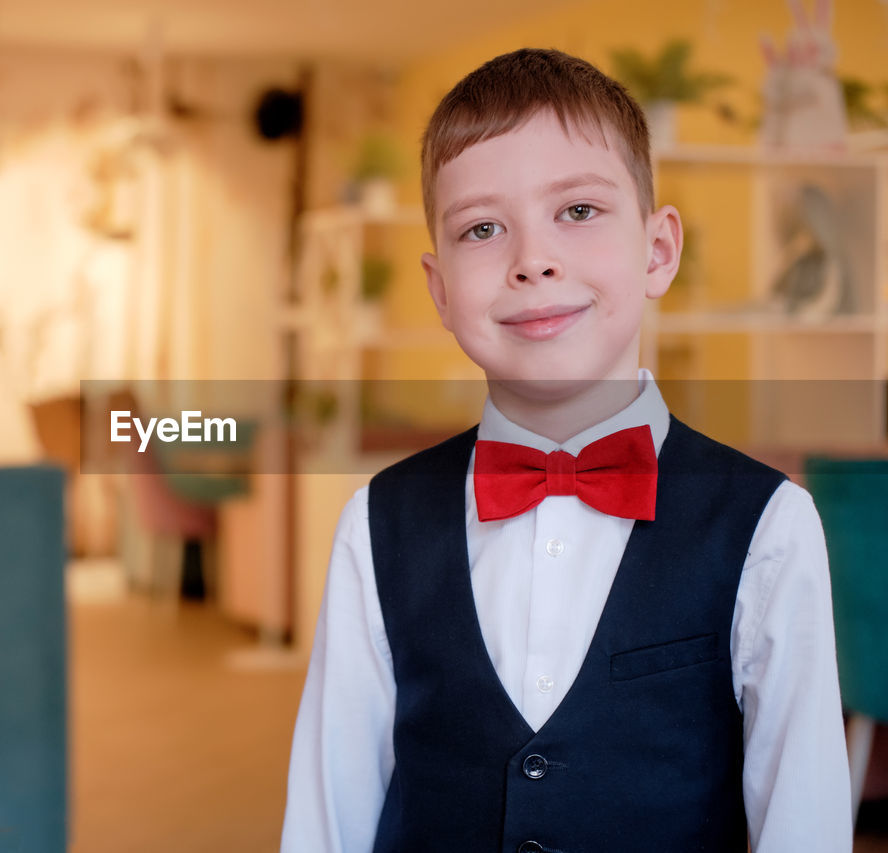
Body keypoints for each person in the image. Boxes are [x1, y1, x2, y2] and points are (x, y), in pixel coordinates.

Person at [280, 48, 851, 853]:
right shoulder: (375, 522)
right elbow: (327, 817)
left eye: (578, 211)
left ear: (657, 251)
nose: (532, 259)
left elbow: (805, 822)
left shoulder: (770, 524)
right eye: (483, 228)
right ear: (440, 289)